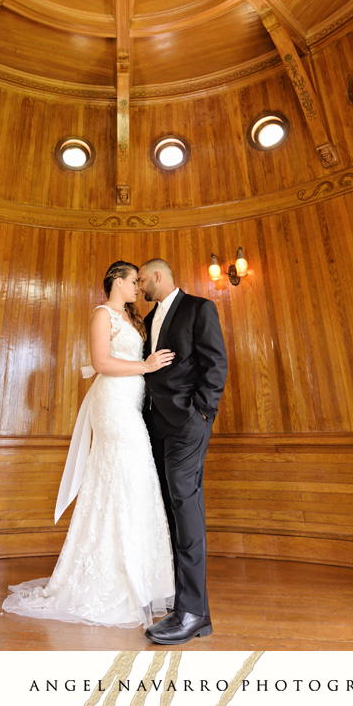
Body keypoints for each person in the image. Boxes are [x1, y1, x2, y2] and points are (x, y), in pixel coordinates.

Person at [1, 261, 177, 629]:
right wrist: (145, 366)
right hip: (112, 403)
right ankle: (113, 580)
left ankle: (140, 580)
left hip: (130, 401)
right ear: (116, 281)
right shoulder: (102, 314)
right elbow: (100, 361)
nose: (137, 287)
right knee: (126, 475)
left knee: (132, 479)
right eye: (133, 281)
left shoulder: (130, 318)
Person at [137, 257, 228, 644]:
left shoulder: (198, 308)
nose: (139, 286)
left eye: (142, 279)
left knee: (185, 508)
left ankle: (191, 612)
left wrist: (201, 414)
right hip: (155, 425)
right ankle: (189, 609)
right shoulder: (148, 319)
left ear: (158, 277)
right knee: (171, 510)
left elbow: (215, 363)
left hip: (188, 424)